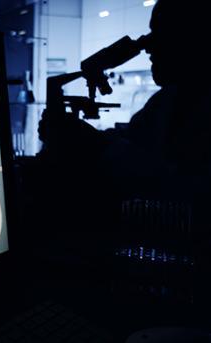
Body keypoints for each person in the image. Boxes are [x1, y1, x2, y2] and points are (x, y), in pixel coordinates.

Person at [38, 0, 211, 228]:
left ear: (193, 39)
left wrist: (94, 144)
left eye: (159, 34)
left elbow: (182, 185)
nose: (148, 47)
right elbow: (132, 139)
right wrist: (83, 137)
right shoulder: (165, 101)